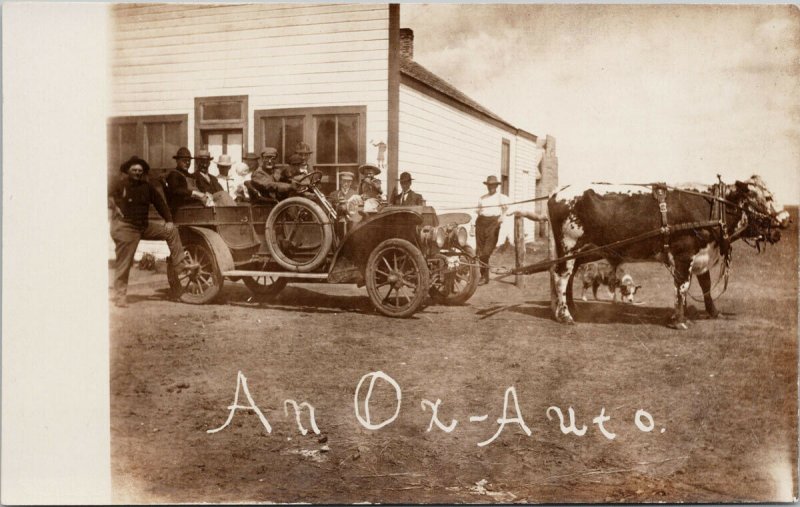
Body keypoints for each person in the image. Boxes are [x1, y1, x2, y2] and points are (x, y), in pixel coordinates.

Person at [109, 156, 187, 307]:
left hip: (144, 226)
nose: (137, 173)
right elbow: (106, 196)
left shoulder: (147, 186)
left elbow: (160, 203)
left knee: (171, 231)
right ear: (128, 171)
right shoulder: (120, 185)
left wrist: (169, 220)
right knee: (124, 263)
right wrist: (114, 206)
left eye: (140, 170)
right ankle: (120, 297)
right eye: (134, 170)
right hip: (126, 228)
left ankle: (180, 266)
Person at [476, 175, 511, 285]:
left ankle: (484, 275)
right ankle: (484, 276)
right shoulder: (482, 198)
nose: (491, 187)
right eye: (489, 185)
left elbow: (507, 209)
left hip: (493, 224)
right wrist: (473, 227)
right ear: (487, 186)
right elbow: (477, 212)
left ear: (496, 186)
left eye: (493, 185)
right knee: (480, 252)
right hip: (481, 223)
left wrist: (502, 217)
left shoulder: (502, 197)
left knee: (486, 252)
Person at [165, 147, 209, 215]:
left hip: (193, 206)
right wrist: (195, 193)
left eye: (189, 160)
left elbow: (200, 188)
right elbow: (175, 190)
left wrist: (206, 193)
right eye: (184, 160)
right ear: (177, 161)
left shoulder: (190, 176)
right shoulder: (174, 175)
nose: (187, 163)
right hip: (182, 209)